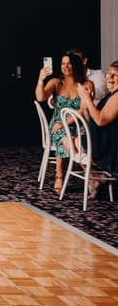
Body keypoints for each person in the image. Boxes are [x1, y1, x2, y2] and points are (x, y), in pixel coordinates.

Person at [35, 51, 93, 194]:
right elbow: (40, 97)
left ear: (76, 65)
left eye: (69, 63)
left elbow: (82, 109)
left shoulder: (87, 83)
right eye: (63, 63)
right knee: (62, 134)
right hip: (57, 124)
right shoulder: (56, 82)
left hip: (79, 124)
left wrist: (66, 123)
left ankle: (88, 176)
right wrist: (41, 79)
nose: (65, 66)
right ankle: (61, 175)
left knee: (77, 139)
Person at [76, 60, 118, 198]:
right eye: (109, 73)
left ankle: (96, 176)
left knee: (72, 142)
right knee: (69, 142)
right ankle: (96, 175)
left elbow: (100, 120)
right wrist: (86, 103)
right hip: (103, 140)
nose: (110, 77)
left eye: (115, 75)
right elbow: (92, 119)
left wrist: (88, 99)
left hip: (110, 147)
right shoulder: (110, 95)